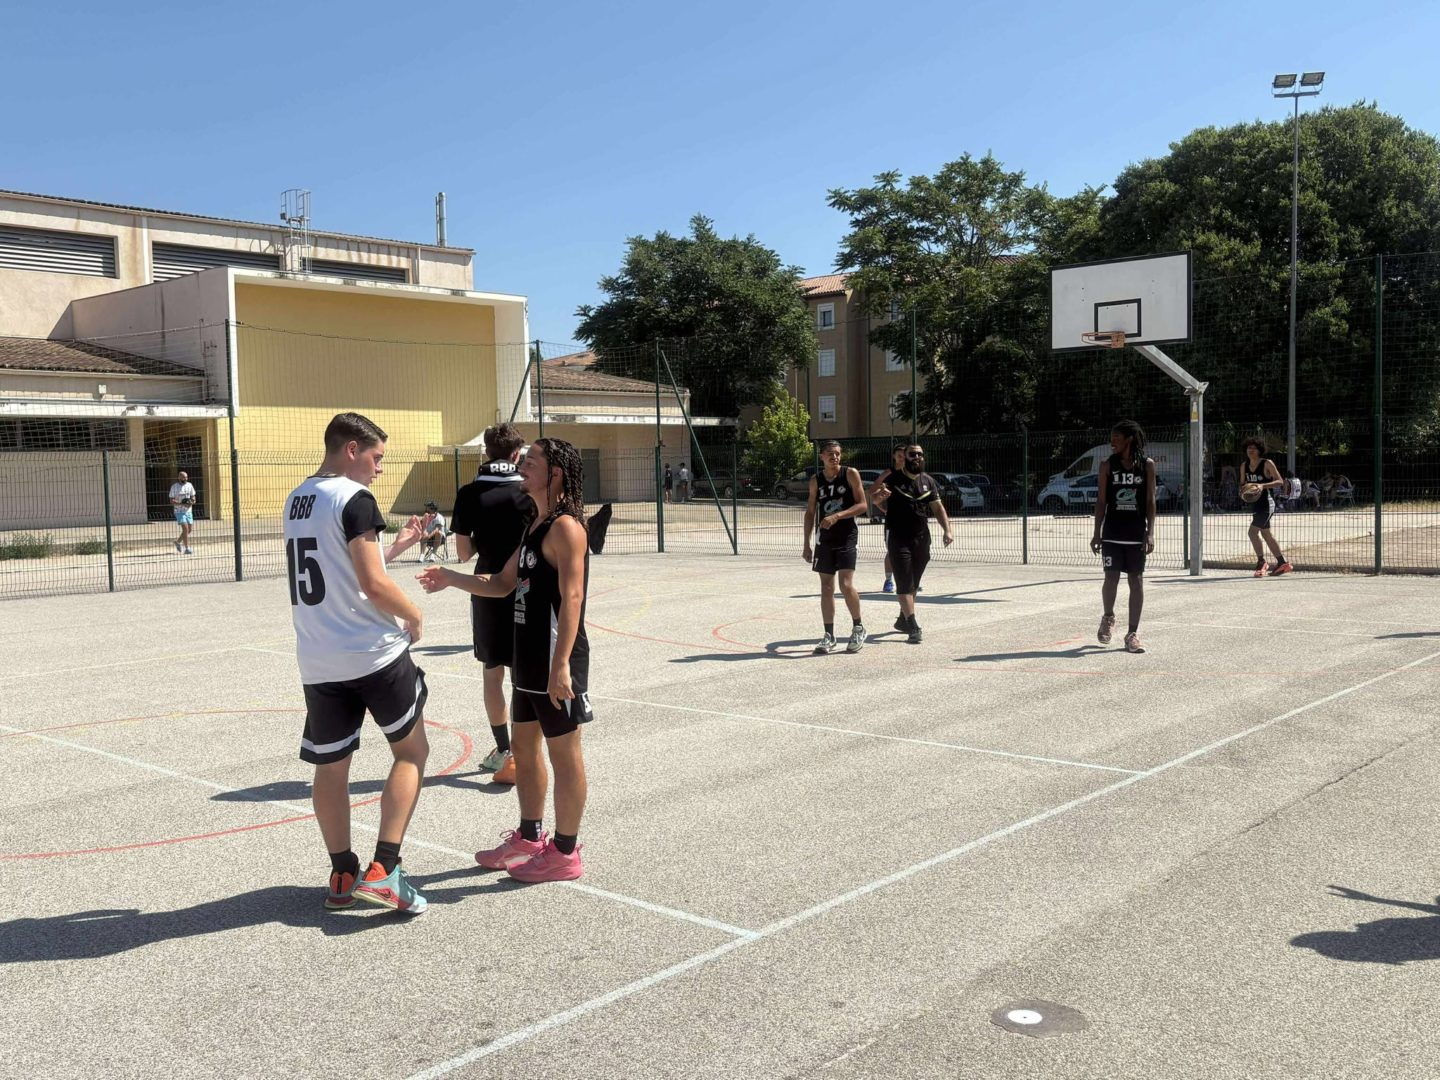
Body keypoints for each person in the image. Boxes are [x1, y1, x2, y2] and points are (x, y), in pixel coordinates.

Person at [420, 437, 593, 883]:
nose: (522, 468)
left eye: (531, 462)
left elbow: (573, 599)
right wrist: (451, 577)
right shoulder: (536, 524)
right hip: (527, 657)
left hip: (555, 659)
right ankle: (529, 838)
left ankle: (565, 852)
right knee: (526, 750)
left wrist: (561, 666)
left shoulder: (566, 528)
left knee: (564, 755)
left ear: (554, 473)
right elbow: (500, 583)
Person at [283, 412, 430, 914]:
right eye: (376, 457)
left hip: (318, 657)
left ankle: (343, 872)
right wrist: (413, 614)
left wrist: (399, 546)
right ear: (351, 449)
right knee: (411, 752)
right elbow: (372, 584)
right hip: (371, 651)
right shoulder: (355, 498)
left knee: (331, 768)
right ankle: (386, 870)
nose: (379, 468)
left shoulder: (297, 498)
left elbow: (341, 568)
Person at [449, 424, 529, 785]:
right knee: (525, 672)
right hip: (527, 586)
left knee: (493, 672)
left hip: (486, 588)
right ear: (517, 454)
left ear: (486, 452)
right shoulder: (528, 491)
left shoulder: (469, 493)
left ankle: (504, 750)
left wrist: (485, 538)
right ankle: (528, 750)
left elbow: (463, 553)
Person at [869, 444, 953, 644]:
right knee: (904, 581)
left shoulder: (928, 481)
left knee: (913, 581)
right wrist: (879, 499)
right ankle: (913, 626)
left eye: (920, 454)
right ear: (905, 457)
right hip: (898, 537)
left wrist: (947, 530)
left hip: (921, 537)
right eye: (912, 454)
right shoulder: (893, 479)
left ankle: (902, 619)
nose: (917, 457)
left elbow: (938, 508)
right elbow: (874, 499)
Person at [1090, 420, 1156, 653]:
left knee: (1136, 581)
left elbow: (1150, 501)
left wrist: (1150, 533)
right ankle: (1108, 617)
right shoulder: (1107, 465)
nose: (1112, 441)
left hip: (1136, 533)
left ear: (1129, 438)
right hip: (1112, 532)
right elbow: (1101, 501)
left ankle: (1132, 634)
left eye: (1116, 437)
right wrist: (1096, 533)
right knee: (1111, 577)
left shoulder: (1147, 465)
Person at [803, 440, 868, 654]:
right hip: (825, 538)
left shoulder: (850, 474)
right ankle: (829, 635)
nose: (835, 457)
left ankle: (858, 627)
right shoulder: (816, 480)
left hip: (846, 536)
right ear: (821, 456)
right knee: (826, 587)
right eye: (830, 453)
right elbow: (810, 512)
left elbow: (862, 505)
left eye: (838, 453)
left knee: (846, 585)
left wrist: (837, 516)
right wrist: (806, 544)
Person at [1241, 438, 1292, 577]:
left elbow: (1280, 481)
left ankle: (1261, 563)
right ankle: (1282, 563)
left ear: (1259, 450)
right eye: (1249, 448)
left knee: (1252, 533)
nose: (1251, 450)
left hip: (1267, 503)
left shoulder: (1267, 463)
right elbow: (1242, 484)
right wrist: (1244, 491)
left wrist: (1262, 485)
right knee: (1266, 534)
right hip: (1255, 504)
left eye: (1254, 448)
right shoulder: (1244, 466)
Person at [868, 444, 908, 593]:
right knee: (892, 551)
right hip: (893, 521)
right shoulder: (887, 474)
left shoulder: (914, 473)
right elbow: (872, 493)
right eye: (899, 455)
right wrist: (882, 506)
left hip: (911, 520)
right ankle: (889, 580)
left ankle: (909, 579)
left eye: (905, 455)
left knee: (912, 550)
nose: (902, 458)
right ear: (894, 456)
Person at [169, 470, 197, 554]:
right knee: (185, 529)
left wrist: (192, 502)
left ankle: (177, 542)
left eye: (186, 477)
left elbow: (193, 496)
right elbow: (171, 500)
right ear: (179, 477)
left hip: (188, 510)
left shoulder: (189, 485)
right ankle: (187, 548)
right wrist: (181, 503)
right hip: (179, 511)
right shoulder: (174, 487)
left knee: (189, 530)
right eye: (183, 477)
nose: (185, 479)